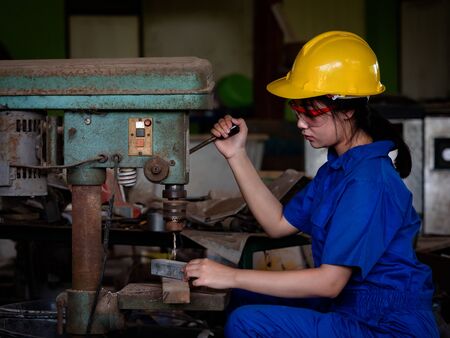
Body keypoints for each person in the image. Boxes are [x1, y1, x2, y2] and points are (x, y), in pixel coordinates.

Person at [184, 31, 439, 337]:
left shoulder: (367, 182)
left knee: (245, 321)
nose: (301, 124)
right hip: (351, 305)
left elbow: (329, 283)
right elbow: (278, 224)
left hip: (384, 325)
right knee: (243, 298)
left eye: (311, 114)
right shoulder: (338, 169)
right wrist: (236, 154)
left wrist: (232, 275)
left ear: (347, 109)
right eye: (298, 111)